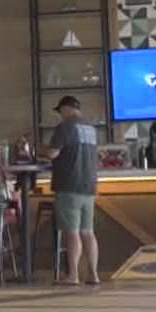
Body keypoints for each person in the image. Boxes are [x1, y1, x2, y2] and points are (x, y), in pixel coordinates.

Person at [46, 95, 101, 287]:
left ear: (66, 109)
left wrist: (43, 151)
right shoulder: (91, 129)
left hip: (69, 184)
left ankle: (73, 275)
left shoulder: (65, 127)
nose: (60, 115)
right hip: (89, 186)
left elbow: (53, 153)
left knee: (72, 232)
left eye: (60, 111)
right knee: (88, 232)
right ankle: (93, 274)